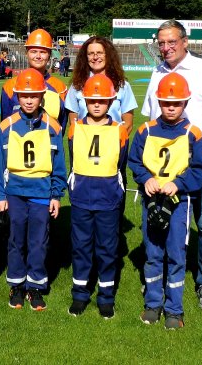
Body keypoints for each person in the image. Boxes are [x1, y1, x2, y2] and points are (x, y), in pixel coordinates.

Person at [140, 20, 202, 312]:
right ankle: (156, 277)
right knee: (161, 215)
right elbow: (150, 116)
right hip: (161, 157)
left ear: (185, 41)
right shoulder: (158, 72)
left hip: (198, 155)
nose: (165, 48)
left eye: (171, 42)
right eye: (161, 43)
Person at [128, 72, 202, 330]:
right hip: (151, 201)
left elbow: (199, 170)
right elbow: (135, 162)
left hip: (178, 204)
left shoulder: (193, 134)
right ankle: (153, 304)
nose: (171, 107)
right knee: (152, 254)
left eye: (176, 103)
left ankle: (174, 309)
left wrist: (179, 183)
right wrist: (145, 178)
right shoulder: (145, 130)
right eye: (165, 103)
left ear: (186, 102)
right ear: (158, 102)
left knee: (175, 255)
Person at [0, 68, 67, 311]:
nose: (28, 100)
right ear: (17, 97)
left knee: (38, 241)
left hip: (41, 194)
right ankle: (16, 284)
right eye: (24, 95)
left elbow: (59, 164)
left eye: (33, 96)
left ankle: (35, 286)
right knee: (16, 240)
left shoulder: (52, 127)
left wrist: (56, 195)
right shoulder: (7, 126)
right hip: (14, 192)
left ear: (42, 97)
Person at [66, 74, 128, 319]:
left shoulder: (120, 131)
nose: (97, 104)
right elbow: (73, 158)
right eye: (92, 100)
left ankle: (106, 297)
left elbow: (120, 163)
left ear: (111, 101)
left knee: (106, 248)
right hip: (81, 197)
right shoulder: (75, 128)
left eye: (102, 100)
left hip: (108, 199)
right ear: (85, 101)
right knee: (81, 247)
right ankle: (80, 294)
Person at [0, 29, 68, 131]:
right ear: (27, 53)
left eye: (43, 52)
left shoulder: (60, 88)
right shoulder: (10, 86)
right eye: (34, 52)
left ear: (49, 55)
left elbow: (61, 126)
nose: (38, 56)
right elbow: (5, 125)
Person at [66, 36, 137, 129]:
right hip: (85, 142)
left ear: (108, 55)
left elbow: (128, 125)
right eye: (91, 53)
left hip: (113, 141)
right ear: (85, 57)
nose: (95, 57)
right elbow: (73, 123)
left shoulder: (122, 86)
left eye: (99, 53)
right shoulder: (77, 85)